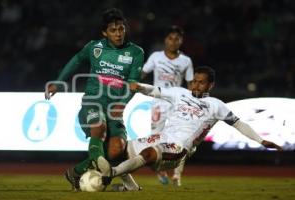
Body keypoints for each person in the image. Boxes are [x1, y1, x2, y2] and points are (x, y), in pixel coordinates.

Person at [99, 66, 283, 188]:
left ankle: (111, 174)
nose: (195, 84)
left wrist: (261, 140)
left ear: (210, 84)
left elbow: (239, 124)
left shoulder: (216, 105)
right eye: (194, 80)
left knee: (147, 153)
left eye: (201, 82)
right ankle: (132, 189)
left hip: (179, 147)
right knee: (118, 151)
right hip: (162, 137)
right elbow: (154, 91)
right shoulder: (180, 93)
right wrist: (138, 86)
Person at [44, 8, 144, 191]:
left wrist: (122, 104)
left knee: (116, 150)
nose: (118, 33)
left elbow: (133, 85)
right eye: (113, 30)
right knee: (99, 126)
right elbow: (76, 60)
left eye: (121, 29)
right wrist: (58, 83)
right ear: (104, 33)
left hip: (115, 107)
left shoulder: (136, 52)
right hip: (93, 101)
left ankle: (75, 172)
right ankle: (98, 166)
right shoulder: (94, 47)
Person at [142, 25, 194, 186]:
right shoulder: (156, 57)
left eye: (176, 39)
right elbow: (142, 73)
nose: (173, 42)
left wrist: (193, 103)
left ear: (181, 41)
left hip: (177, 104)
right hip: (158, 104)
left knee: (182, 139)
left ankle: (177, 175)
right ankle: (160, 170)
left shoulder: (186, 61)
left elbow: (191, 84)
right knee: (155, 138)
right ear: (165, 40)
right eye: (170, 38)